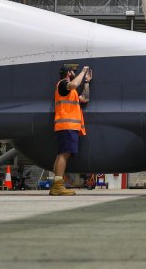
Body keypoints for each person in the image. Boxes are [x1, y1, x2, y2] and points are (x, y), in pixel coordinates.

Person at [49, 65, 91, 196]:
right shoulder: (63, 84)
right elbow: (73, 84)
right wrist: (83, 72)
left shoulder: (70, 91)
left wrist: (87, 82)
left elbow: (85, 98)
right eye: (73, 71)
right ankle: (58, 186)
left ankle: (56, 185)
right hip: (67, 125)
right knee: (64, 154)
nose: (75, 73)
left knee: (62, 154)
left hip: (68, 126)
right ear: (68, 72)